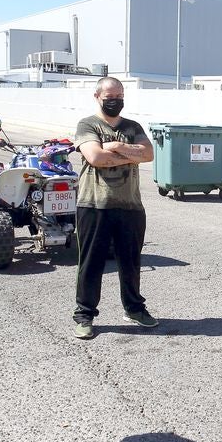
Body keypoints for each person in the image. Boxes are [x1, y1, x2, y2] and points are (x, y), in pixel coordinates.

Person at [72, 77, 157, 339]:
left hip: (130, 206)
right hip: (94, 204)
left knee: (130, 262)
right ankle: (84, 315)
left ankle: (134, 308)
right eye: (109, 96)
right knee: (91, 263)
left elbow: (149, 154)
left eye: (119, 96)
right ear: (97, 97)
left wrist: (118, 147)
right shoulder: (88, 124)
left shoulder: (132, 126)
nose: (115, 101)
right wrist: (130, 154)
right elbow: (95, 157)